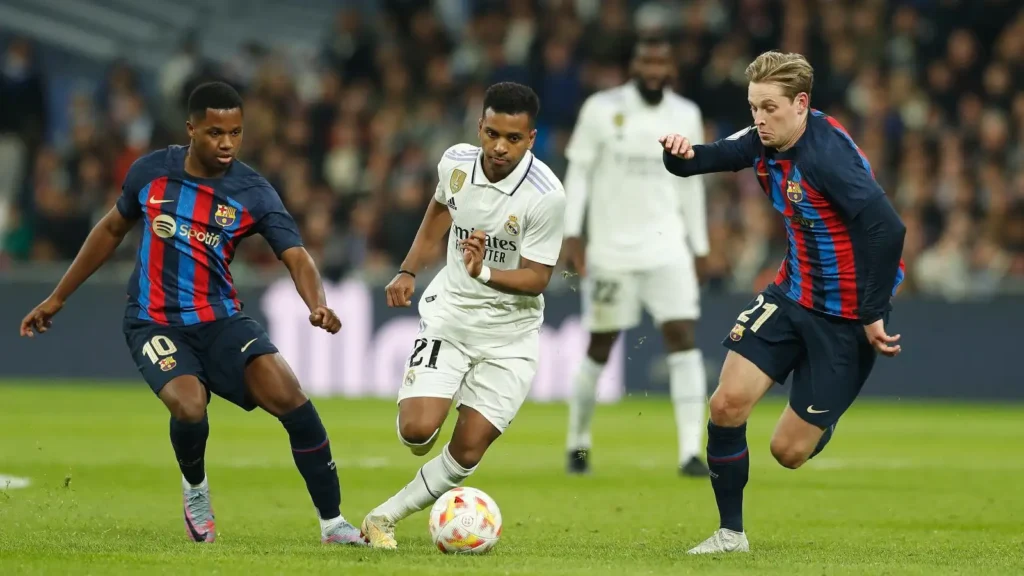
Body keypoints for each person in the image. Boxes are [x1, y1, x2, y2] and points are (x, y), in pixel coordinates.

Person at [19, 82, 364, 546]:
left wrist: (317, 303)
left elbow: (296, 255)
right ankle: (196, 490)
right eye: (215, 132)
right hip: (153, 320)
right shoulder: (151, 172)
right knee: (189, 406)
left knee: (294, 401)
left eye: (235, 133)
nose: (226, 143)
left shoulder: (253, 191)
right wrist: (58, 297)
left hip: (220, 320)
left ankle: (333, 524)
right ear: (191, 129)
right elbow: (109, 229)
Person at [659, 51, 906, 554]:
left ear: (800, 103)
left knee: (788, 452)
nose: (758, 119)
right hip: (790, 296)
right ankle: (731, 534)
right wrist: (676, 153)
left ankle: (822, 418)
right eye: (753, 107)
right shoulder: (763, 141)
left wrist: (873, 311)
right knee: (726, 405)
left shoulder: (826, 156)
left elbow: (888, 228)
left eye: (769, 108)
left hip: (846, 317)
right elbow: (700, 161)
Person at [360, 82, 565, 549]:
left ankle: (382, 518)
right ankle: (430, 401)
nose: (499, 147)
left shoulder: (546, 195)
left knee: (468, 448)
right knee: (417, 432)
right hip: (451, 316)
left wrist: (484, 270)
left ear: (531, 138)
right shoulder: (455, 162)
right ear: (479, 127)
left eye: (513, 139)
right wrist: (409, 269)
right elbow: (439, 208)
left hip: (511, 335)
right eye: (492, 134)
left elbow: (537, 278)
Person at [562, 36, 710, 477]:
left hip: (668, 247)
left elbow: (692, 182)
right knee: (600, 345)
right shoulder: (600, 109)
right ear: (634, 63)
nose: (652, 68)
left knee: (683, 338)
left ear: (670, 67)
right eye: (646, 59)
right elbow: (580, 173)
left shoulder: (686, 114)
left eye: (660, 61)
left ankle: (689, 452)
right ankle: (578, 444)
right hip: (610, 249)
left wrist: (699, 247)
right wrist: (573, 233)